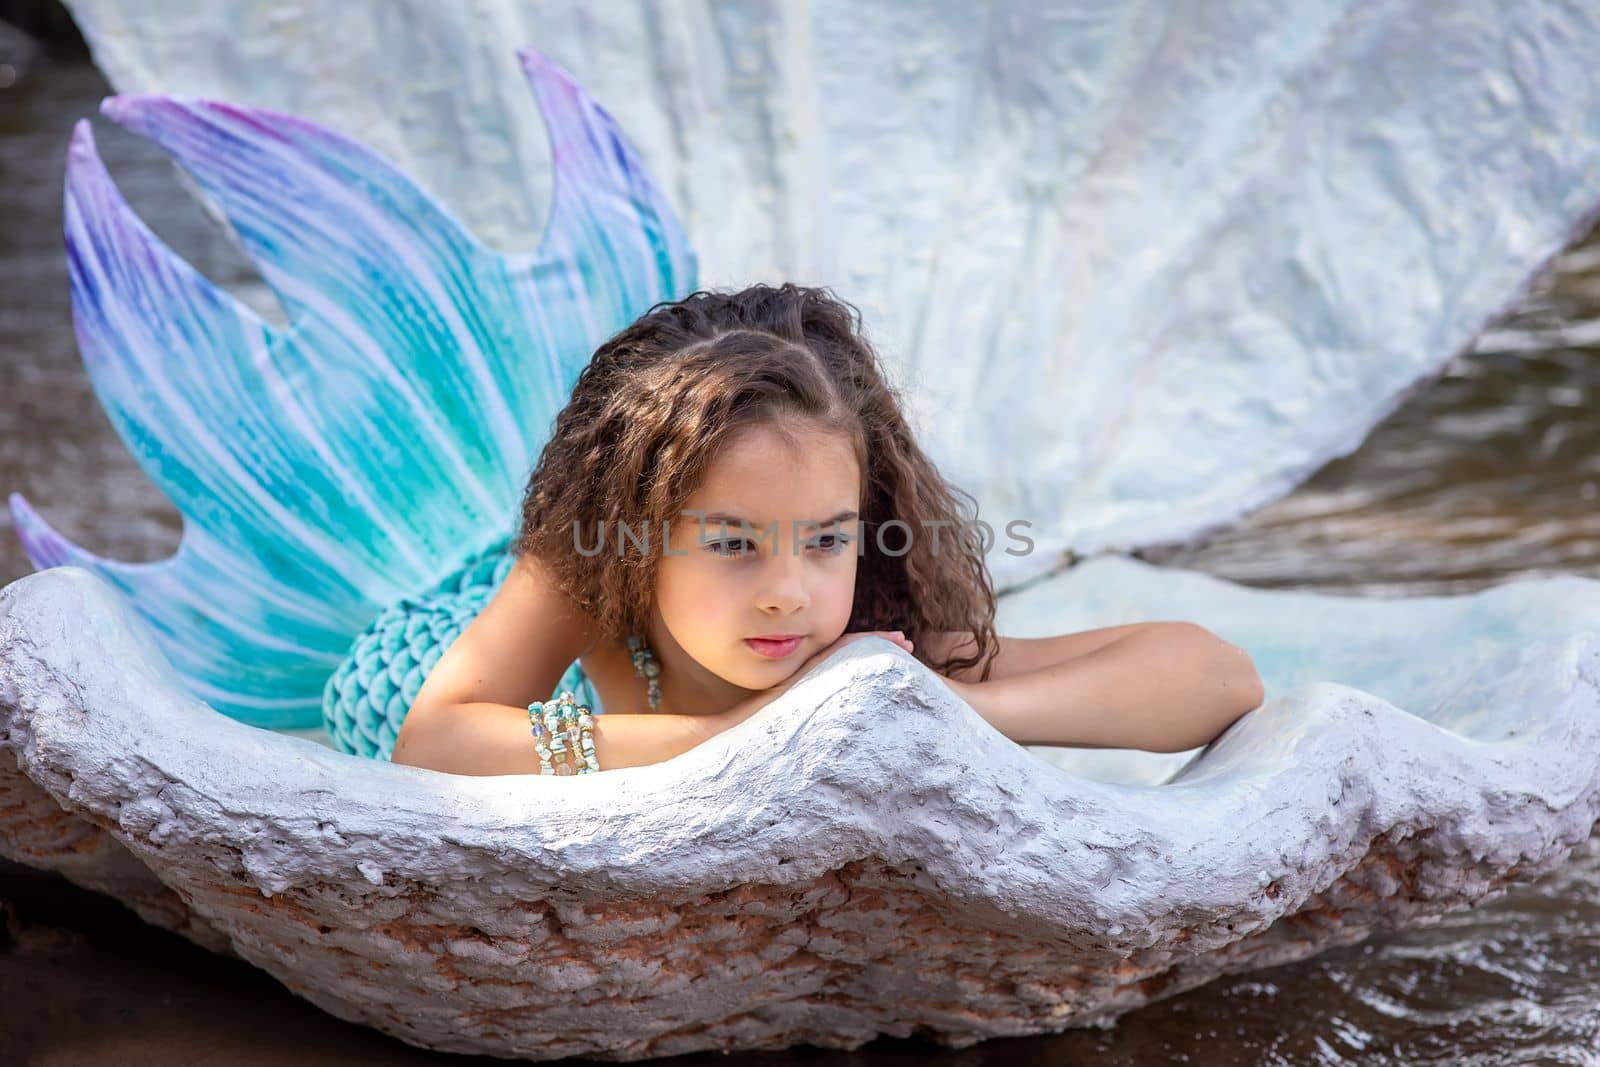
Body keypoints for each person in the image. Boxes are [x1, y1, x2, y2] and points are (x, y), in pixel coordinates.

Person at [389, 283, 1264, 775]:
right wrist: (747, 735)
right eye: (732, 543)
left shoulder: (854, 644)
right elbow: (431, 738)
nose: (787, 590)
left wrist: (955, 708)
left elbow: (1218, 676)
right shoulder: (591, 565)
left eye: (827, 538)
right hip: (420, 659)